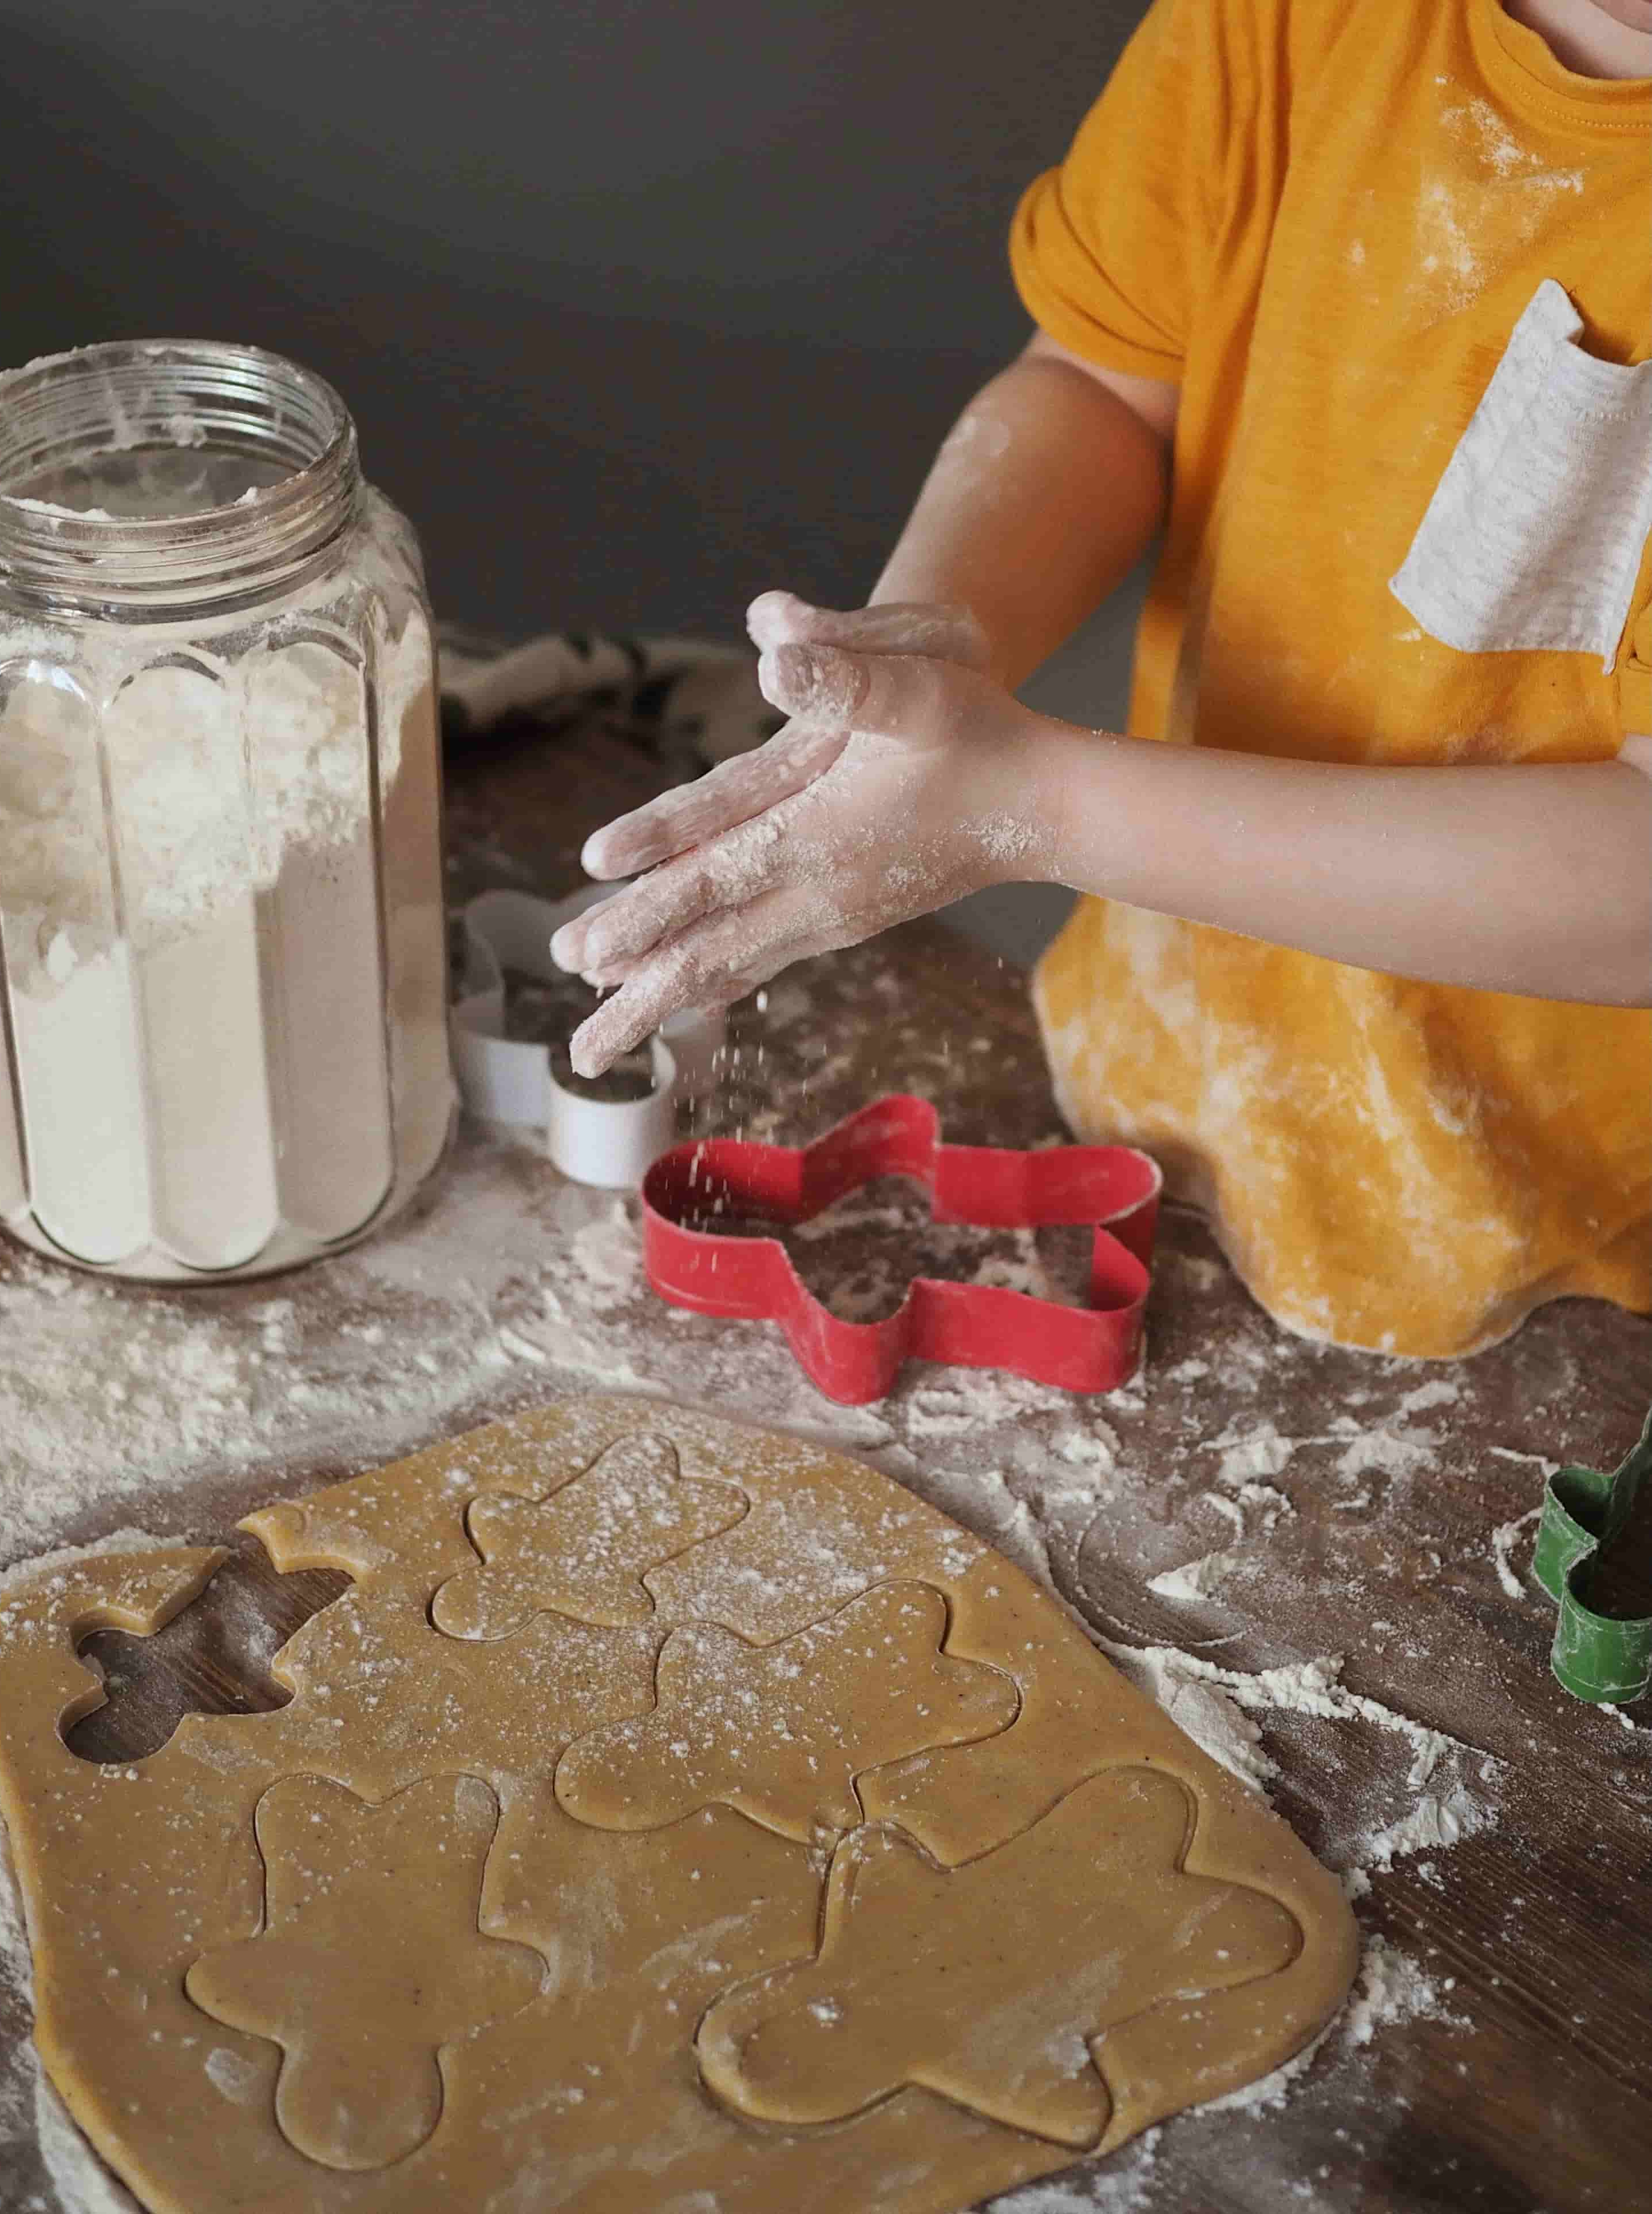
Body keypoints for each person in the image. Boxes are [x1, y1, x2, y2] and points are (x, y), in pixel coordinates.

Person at [552, 0, 1652, 1361]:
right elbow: (1105, 383)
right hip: (1173, 1074)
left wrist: (1035, 804)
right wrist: (932, 646)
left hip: (1581, 1248)